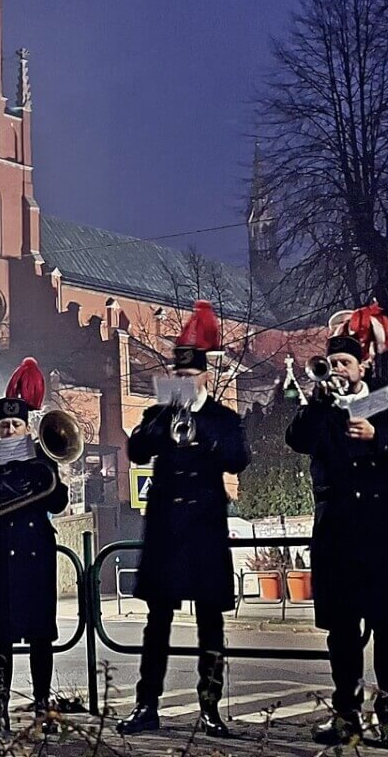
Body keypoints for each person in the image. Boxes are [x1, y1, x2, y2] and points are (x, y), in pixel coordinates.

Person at [290, 303, 388, 748]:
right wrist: (317, 399)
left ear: (362, 365)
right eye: (331, 363)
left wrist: (378, 438)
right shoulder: (323, 408)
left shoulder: (386, 400)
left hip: (384, 529)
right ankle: (346, 717)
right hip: (339, 532)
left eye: (344, 363)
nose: (337, 369)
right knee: (343, 634)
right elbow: (297, 439)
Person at [117, 301, 251, 738]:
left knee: (210, 624)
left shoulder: (224, 418)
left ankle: (211, 708)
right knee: (158, 623)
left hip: (206, 530)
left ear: (205, 377)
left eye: (191, 378)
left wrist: (203, 430)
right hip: (166, 533)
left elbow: (238, 460)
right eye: (180, 378)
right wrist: (167, 417)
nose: (186, 383)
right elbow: (136, 451)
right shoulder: (158, 413)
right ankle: (146, 705)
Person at [0, 357, 69, 737]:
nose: (10, 429)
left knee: (40, 635)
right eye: (5, 425)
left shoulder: (43, 461)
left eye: (16, 425)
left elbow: (58, 502)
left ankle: (43, 709)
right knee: (0, 636)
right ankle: (0, 711)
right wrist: (1, 480)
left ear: (28, 429)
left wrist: (38, 466)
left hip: (35, 556)